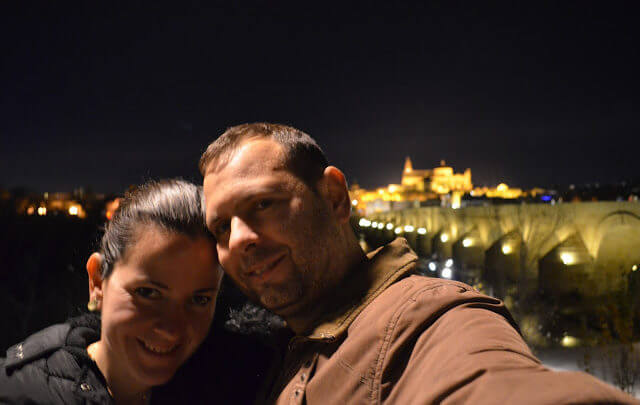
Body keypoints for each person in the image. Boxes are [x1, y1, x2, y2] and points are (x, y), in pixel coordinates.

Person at [199, 123, 638, 404]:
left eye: (263, 204)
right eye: (220, 227)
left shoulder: (427, 323)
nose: (240, 240)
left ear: (334, 198)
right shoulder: (274, 350)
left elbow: (491, 381)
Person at [0, 179, 223, 404]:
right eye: (148, 293)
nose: (171, 329)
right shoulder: (19, 395)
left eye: (199, 299)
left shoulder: (222, 384)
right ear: (97, 281)